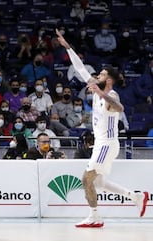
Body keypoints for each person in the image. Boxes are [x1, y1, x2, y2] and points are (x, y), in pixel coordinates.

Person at [56, 29, 149, 228]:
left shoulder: (112, 95)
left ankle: (95, 216)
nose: (96, 76)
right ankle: (135, 196)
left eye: (101, 74)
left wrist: (101, 93)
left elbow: (120, 107)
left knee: (86, 179)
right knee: (97, 183)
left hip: (107, 144)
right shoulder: (96, 87)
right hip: (102, 144)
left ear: (108, 81)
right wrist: (68, 47)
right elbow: (80, 69)